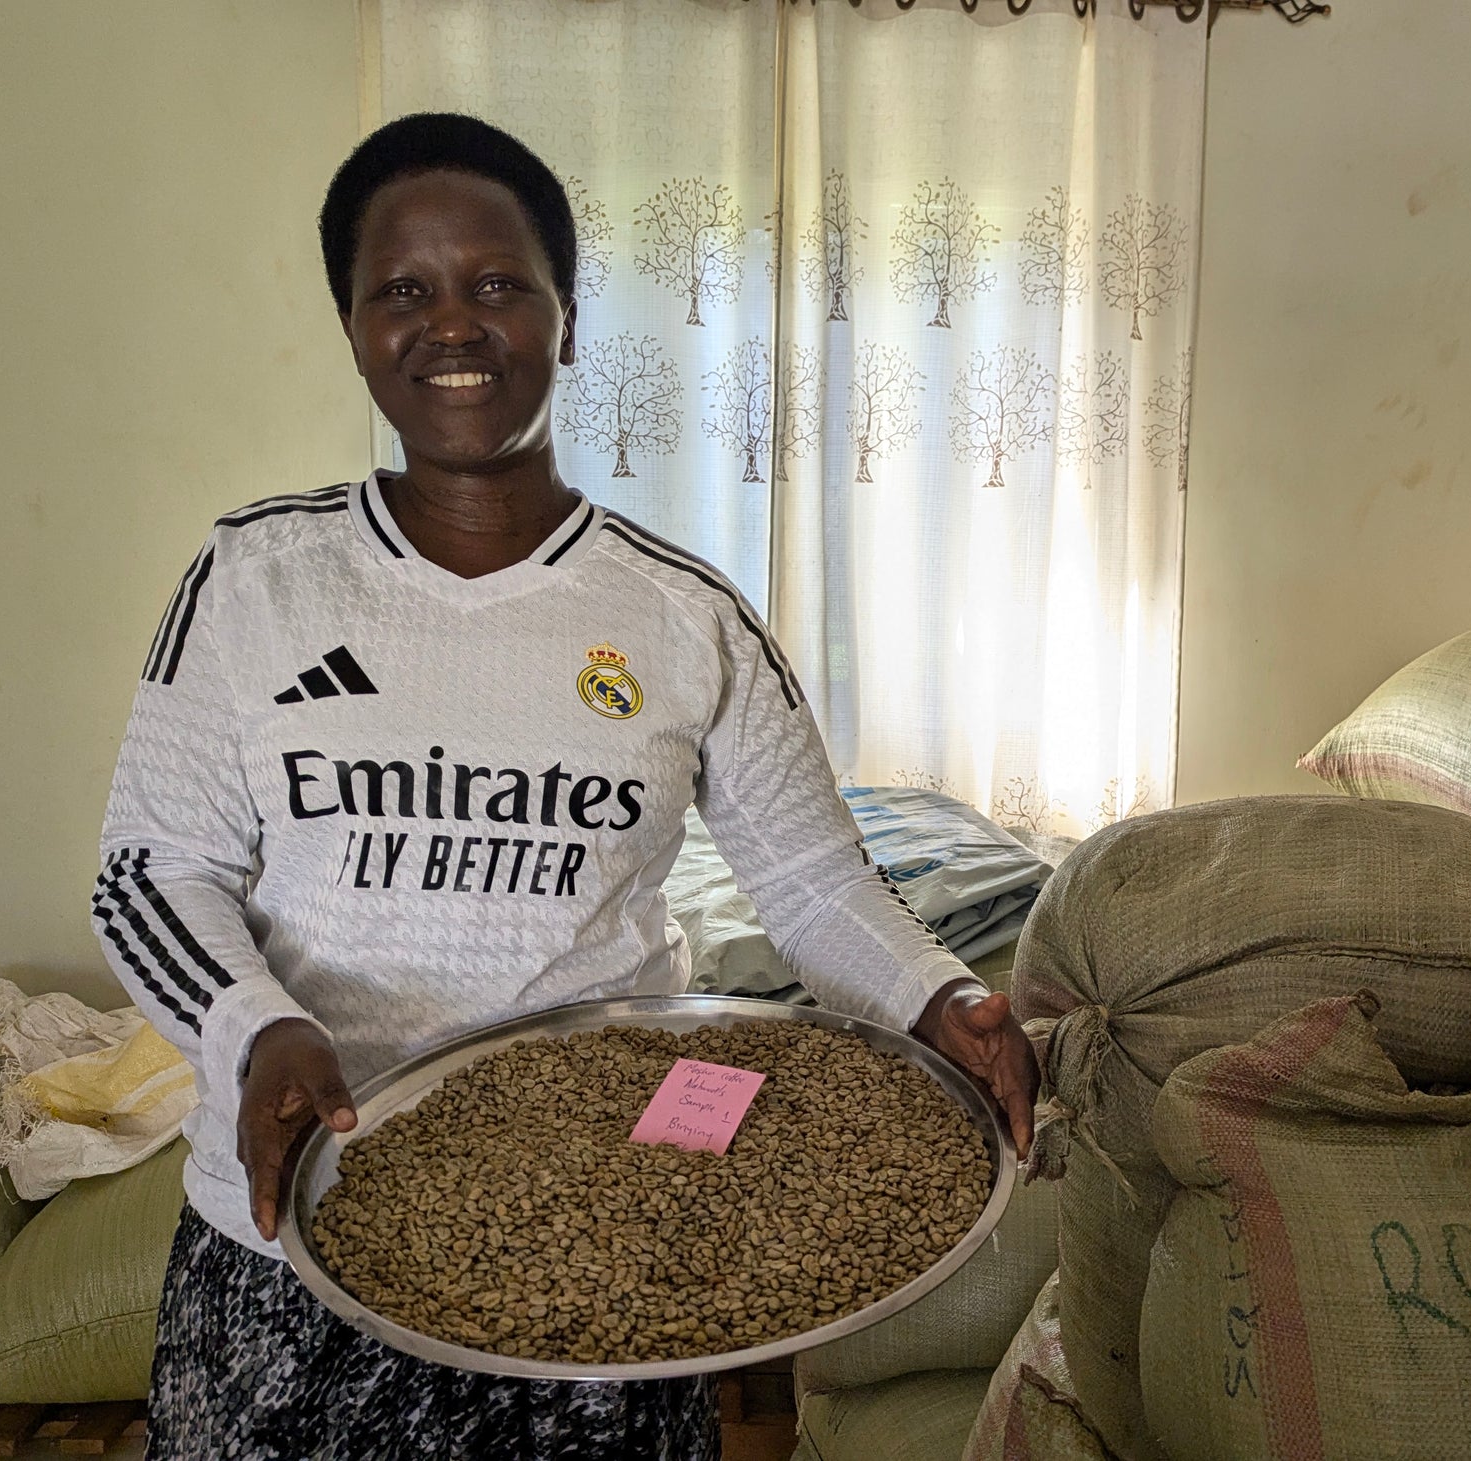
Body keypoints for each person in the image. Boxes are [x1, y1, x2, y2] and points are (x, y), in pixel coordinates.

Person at [93, 111, 1040, 1461]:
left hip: (608, 1237)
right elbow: (146, 872)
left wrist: (939, 993)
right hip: (289, 1226)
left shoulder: (681, 613)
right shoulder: (255, 580)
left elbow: (816, 879)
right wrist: (255, 1030)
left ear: (568, 319)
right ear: (354, 328)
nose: (452, 327)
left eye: (496, 285)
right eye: (402, 292)